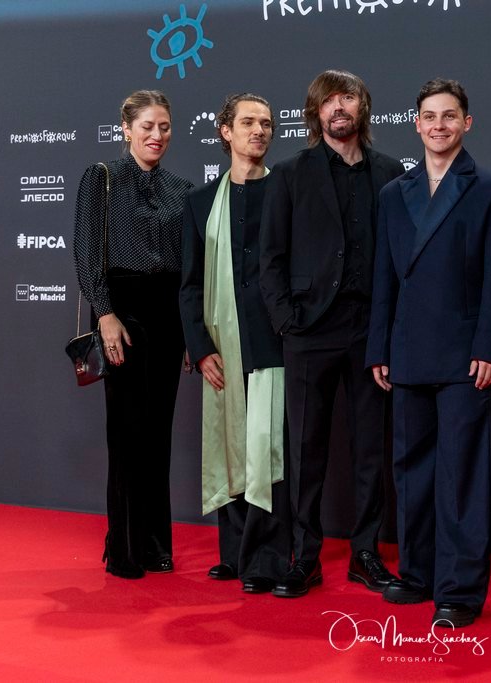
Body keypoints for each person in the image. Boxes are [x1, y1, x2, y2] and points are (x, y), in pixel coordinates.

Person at [366, 79, 491, 627]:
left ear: (467, 123)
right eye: (429, 116)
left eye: (449, 116)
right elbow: (385, 277)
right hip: (406, 350)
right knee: (412, 471)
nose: (439, 125)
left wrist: (489, 347)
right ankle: (418, 573)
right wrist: (379, 346)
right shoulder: (394, 193)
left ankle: (459, 590)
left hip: (465, 356)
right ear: (416, 124)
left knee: (461, 475)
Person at [259, 69, 404, 598]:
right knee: (305, 449)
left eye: (348, 98)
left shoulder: (391, 173)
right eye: (328, 100)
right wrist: (286, 321)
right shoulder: (289, 174)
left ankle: (365, 553)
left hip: (370, 330)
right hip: (309, 329)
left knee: (370, 449)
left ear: (363, 107)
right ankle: (305, 555)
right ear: (315, 112)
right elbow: (269, 258)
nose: (338, 107)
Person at [73, 90, 193, 579]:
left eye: (164, 127)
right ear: (126, 129)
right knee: (127, 432)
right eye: (147, 126)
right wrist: (104, 313)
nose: (156, 135)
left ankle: (156, 544)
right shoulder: (101, 177)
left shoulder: (182, 189)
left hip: (168, 313)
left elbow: (188, 268)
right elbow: (86, 251)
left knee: (159, 432)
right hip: (122, 311)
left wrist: (191, 331)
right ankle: (124, 548)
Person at [179, 93, 292, 593]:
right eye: (248, 122)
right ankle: (234, 552)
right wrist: (200, 346)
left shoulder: (287, 192)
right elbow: (189, 285)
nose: (259, 131)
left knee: (266, 448)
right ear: (226, 132)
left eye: (266, 123)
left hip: (274, 341)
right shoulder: (201, 202)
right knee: (228, 442)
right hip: (221, 344)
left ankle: (265, 558)